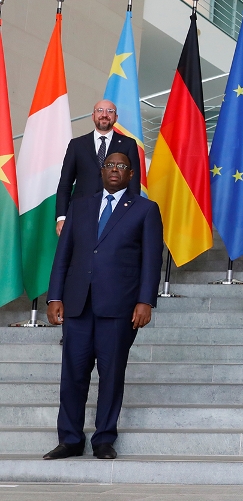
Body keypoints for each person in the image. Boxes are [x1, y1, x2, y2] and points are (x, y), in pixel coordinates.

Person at [42, 151, 163, 460]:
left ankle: (103, 439)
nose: (115, 170)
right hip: (78, 306)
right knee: (73, 375)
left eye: (122, 166)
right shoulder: (79, 206)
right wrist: (54, 296)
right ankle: (69, 439)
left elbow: (151, 260)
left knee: (111, 376)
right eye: (110, 165)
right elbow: (63, 256)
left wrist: (146, 300)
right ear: (101, 170)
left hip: (119, 308)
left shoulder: (145, 209)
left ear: (131, 174)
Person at [55, 100, 141, 235]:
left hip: (115, 211)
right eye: (100, 110)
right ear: (93, 116)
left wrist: (131, 215)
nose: (104, 114)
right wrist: (61, 217)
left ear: (116, 117)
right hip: (80, 211)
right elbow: (65, 183)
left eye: (110, 111)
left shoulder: (128, 144)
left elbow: (134, 184)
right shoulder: (76, 144)